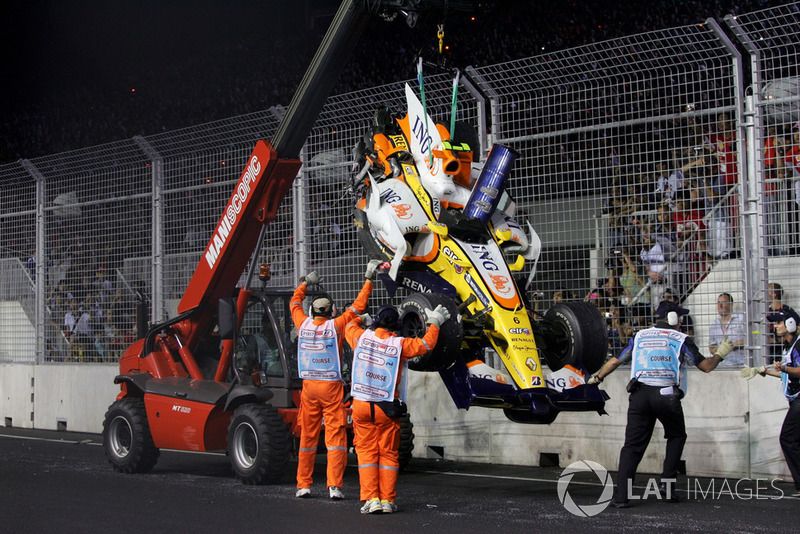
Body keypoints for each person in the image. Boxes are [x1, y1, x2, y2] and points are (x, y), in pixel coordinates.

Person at [587, 300, 733, 507]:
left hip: (639, 396)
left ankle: (621, 497)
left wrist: (598, 377)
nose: (681, 320)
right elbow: (707, 367)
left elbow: (616, 361)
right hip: (666, 396)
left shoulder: (640, 336)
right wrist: (720, 354)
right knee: (676, 436)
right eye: (679, 316)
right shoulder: (681, 339)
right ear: (673, 318)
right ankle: (667, 487)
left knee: (632, 446)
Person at [344, 302, 450, 514]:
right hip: (387, 408)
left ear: (376, 321)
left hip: (362, 405)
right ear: (397, 324)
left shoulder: (360, 337)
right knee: (389, 455)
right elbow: (426, 345)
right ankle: (387, 501)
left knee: (366, 454)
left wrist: (361, 319)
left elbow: (347, 325)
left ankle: (371, 499)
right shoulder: (400, 345)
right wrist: (435, 323)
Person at [291, 259, 381, 500]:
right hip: (331, 389)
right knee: (336, 439)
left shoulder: (303, 324)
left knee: (308, 439)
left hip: (309, 388)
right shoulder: (337, 326)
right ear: (331, 312)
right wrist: (369, 278)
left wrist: (305, 285)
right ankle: (334, 486)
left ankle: (303, 484)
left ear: (312, 312)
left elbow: (294, 303)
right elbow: (357, 307)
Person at [740, 313, 800, 497]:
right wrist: (764, 371)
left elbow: (797, 370)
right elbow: (788, 374)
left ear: (791, 324)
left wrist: (783, 368)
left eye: (779, 323)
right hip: (795, 399)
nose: (776, 326)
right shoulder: (789, 346)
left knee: (788, 439)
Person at [709, 292, 747, 367]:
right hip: (722, 366)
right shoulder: (714, 325)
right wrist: (720, 350)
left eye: (723, 302)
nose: (720, 305)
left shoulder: (742, 319)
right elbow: (711, 347)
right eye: (718, 303)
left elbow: (755, 338)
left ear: (731, 304)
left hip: (742, 364)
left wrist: (734, 344)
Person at [766, 283, 800, 364]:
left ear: (774, 294)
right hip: (769, 353)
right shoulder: (766, 312)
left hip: (785, 351)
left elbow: (796, 329)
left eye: (766, 291)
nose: (775, 325)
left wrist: (775, 340)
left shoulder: (787, 311)